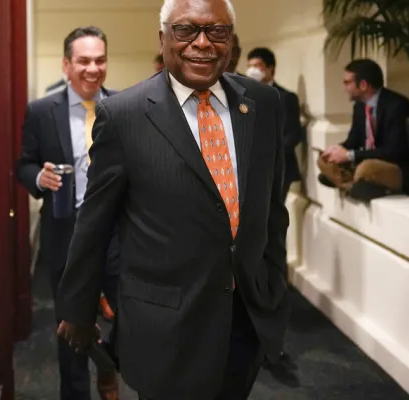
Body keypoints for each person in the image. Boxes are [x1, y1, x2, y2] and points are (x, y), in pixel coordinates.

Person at [55, 0, 291, 399]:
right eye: (185, 31)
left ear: (231, 40)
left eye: (217, 31)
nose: (202, 43)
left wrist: (273, 290)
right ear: (163, 38)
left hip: (246, 319)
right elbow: (95, 224)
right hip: (165, 327)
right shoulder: (124, 115)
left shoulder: (263, 104)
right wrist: (77, 309)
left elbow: (271, 211)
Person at [15, 26, 120, 400]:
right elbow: (22, 165)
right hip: (66, 235)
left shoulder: (126, 107)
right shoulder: (42, 111)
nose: (93, 69)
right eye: (84, 61)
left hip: (118, 236)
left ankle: (109, 365)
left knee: (136, 322)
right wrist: (39, 177)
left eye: (100, 60)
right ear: (66, 65)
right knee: (70, 333)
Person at [318, 58, 409, 201]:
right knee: (324, 160)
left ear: (363, 85)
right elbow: (353, 140)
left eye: (347, 83)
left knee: (366, 168)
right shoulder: (360, 107)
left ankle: (353, 184)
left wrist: (350, 155)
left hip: (394, 166)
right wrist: (337, 149)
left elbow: (394, 151)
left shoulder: (397, 106)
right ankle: (354, 186)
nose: (344, 88)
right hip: (366, 160)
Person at [246, 47, 303, 199]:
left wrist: (268, 153)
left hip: (278, 169)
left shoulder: (285, 98)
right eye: (249, 66)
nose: (252, 70)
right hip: (251, 169)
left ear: (270, 69)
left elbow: (294, 135)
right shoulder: (245, 97)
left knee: (272, 216)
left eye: (257, 65)